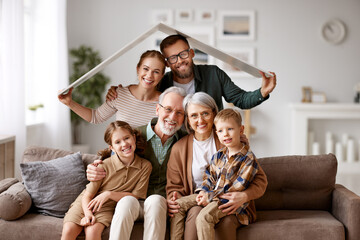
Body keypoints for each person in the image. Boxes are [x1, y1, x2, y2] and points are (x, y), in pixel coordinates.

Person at [87, 86, 188, 240]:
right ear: (157, 109)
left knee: (155, 200)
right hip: (133, 200)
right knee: (127, 201)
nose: (172, 117)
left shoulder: (185, 141)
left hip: (161, 205)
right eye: (168, 109)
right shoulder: (134, 136)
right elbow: (114, 152)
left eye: (179, 112)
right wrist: (95, 164)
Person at [166, 92, 267, 240]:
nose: (200, 120)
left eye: (205, 113)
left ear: (214, 113)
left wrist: (244, 196)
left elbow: (260, 181)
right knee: (194, 214)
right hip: (198, 198)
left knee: (219, 221)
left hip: (229, 200)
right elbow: (174, 187)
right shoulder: (179, 148)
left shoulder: (229, 141)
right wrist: (176, 199)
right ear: (188, 119)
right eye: (194, 115)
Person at [106, 34, 277, 111]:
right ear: (167, 63)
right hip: (176, 146)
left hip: (210, 140)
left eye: (183, 54)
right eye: (173, 58)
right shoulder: (162, 83)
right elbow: (140, 96)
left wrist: (262, 92)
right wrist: (118, 93)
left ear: (192, 53)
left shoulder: (213, 74)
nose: (179, 60)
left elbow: (240, 99)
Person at [61, 121, 152, 240]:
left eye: (127, 138)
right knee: (68, 231)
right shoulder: (103, 166)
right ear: (112, 148)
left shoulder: (145, 166)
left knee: (92, 232)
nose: (124, 144)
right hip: (85, 205)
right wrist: (88, 214)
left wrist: (109, 194)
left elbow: (135, 196)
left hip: (107, 208)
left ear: (134, 138)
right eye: (118, 142)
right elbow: (87, 196)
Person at [58, 50, 166, 128]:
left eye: (156, 71)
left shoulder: (165, 102)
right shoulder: (119, 94)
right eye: (145, 69)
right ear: (138, 69)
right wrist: (69, 103)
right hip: (119, 157)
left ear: (162, 75)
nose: (149, 75)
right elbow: (96, 117)